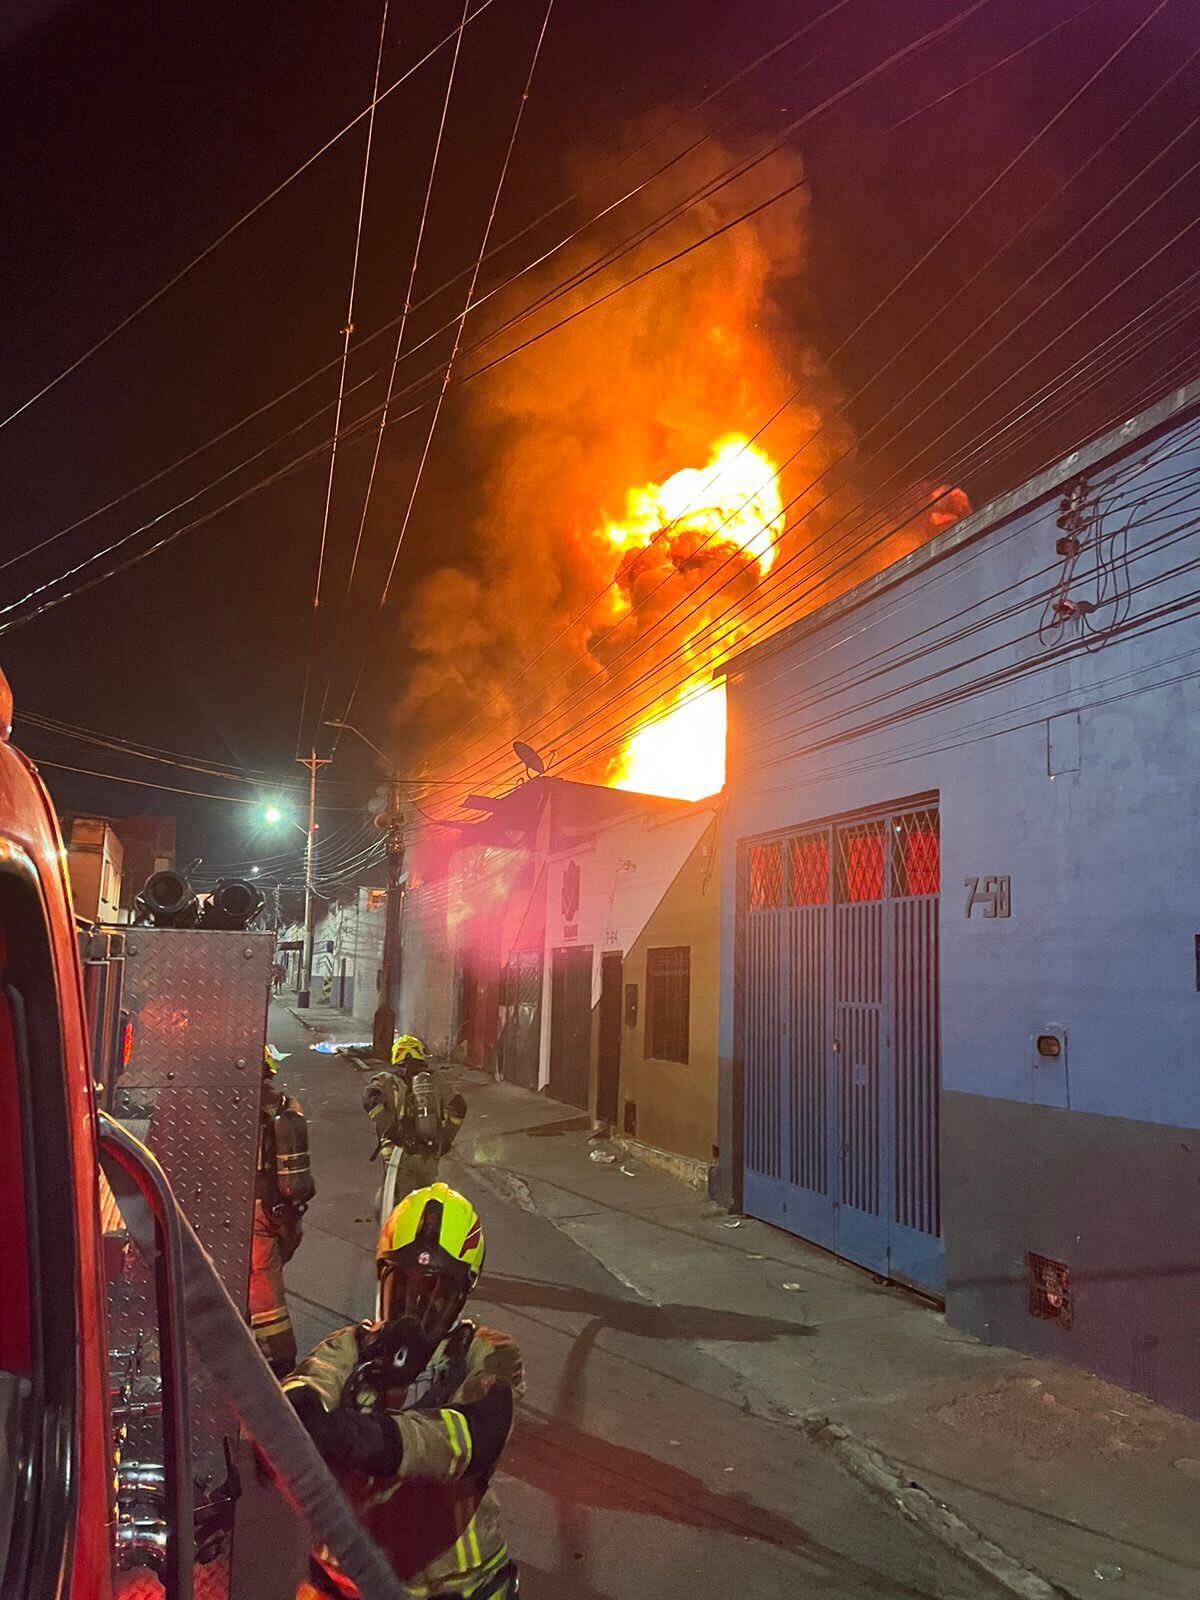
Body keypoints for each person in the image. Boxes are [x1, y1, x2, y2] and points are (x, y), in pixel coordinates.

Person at [284, 1183, 523, 1600]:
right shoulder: (350, 1347)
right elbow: (306, 1387)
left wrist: (369, 1436)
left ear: (462, 1292)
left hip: (457, 1586)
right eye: (404, 1284)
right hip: (347, 1581)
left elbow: (475, 1435)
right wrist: (300, 1411)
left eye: (436, 1290)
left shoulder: (487, 1354)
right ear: (383, 1278)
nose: (416, 1305)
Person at [250, 1046, 315, 1377]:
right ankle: (280, 1376)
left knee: (259, 1306)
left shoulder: (216, 1101)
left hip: (237, 1213)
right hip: (269, 1216)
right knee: (267, 1306)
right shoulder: (284, 1106)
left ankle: (276, 1375)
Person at [363, 1034, 467, 1227]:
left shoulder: (387, 1080)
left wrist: (391, 1129)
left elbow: (369, 1099)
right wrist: (446, 1138)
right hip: (429, 1155)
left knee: (399, 1207)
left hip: (397, 1155)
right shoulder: (436, 1081)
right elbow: (459, 1106)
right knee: (427, 1202)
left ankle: (397, 1246)